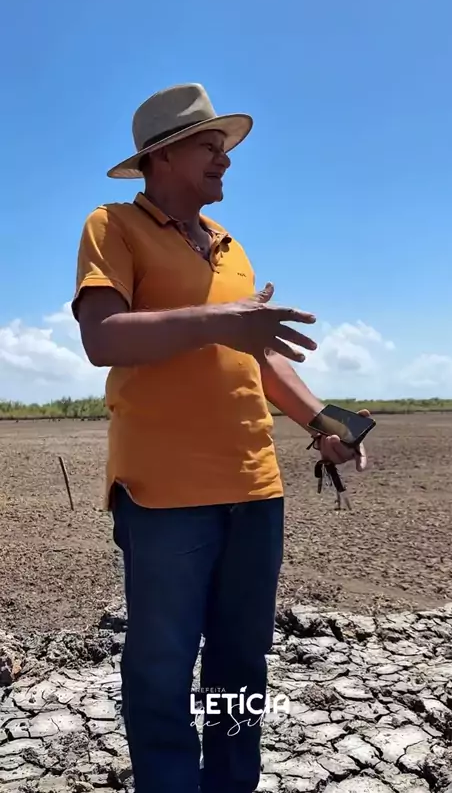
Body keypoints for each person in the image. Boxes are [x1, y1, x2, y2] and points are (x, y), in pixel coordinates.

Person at [72, 83, 368, 793]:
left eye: (224, 147)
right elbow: (102, 337)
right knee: (161, 665)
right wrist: (220, 321)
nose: (225, 159)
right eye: (209, 146)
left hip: (255, 489)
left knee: (242, 664)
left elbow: (256, 355)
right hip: (165, 493)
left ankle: (233, 783)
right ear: (161, 157)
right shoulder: (113, 225)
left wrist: (324, 423)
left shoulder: (232, 248)